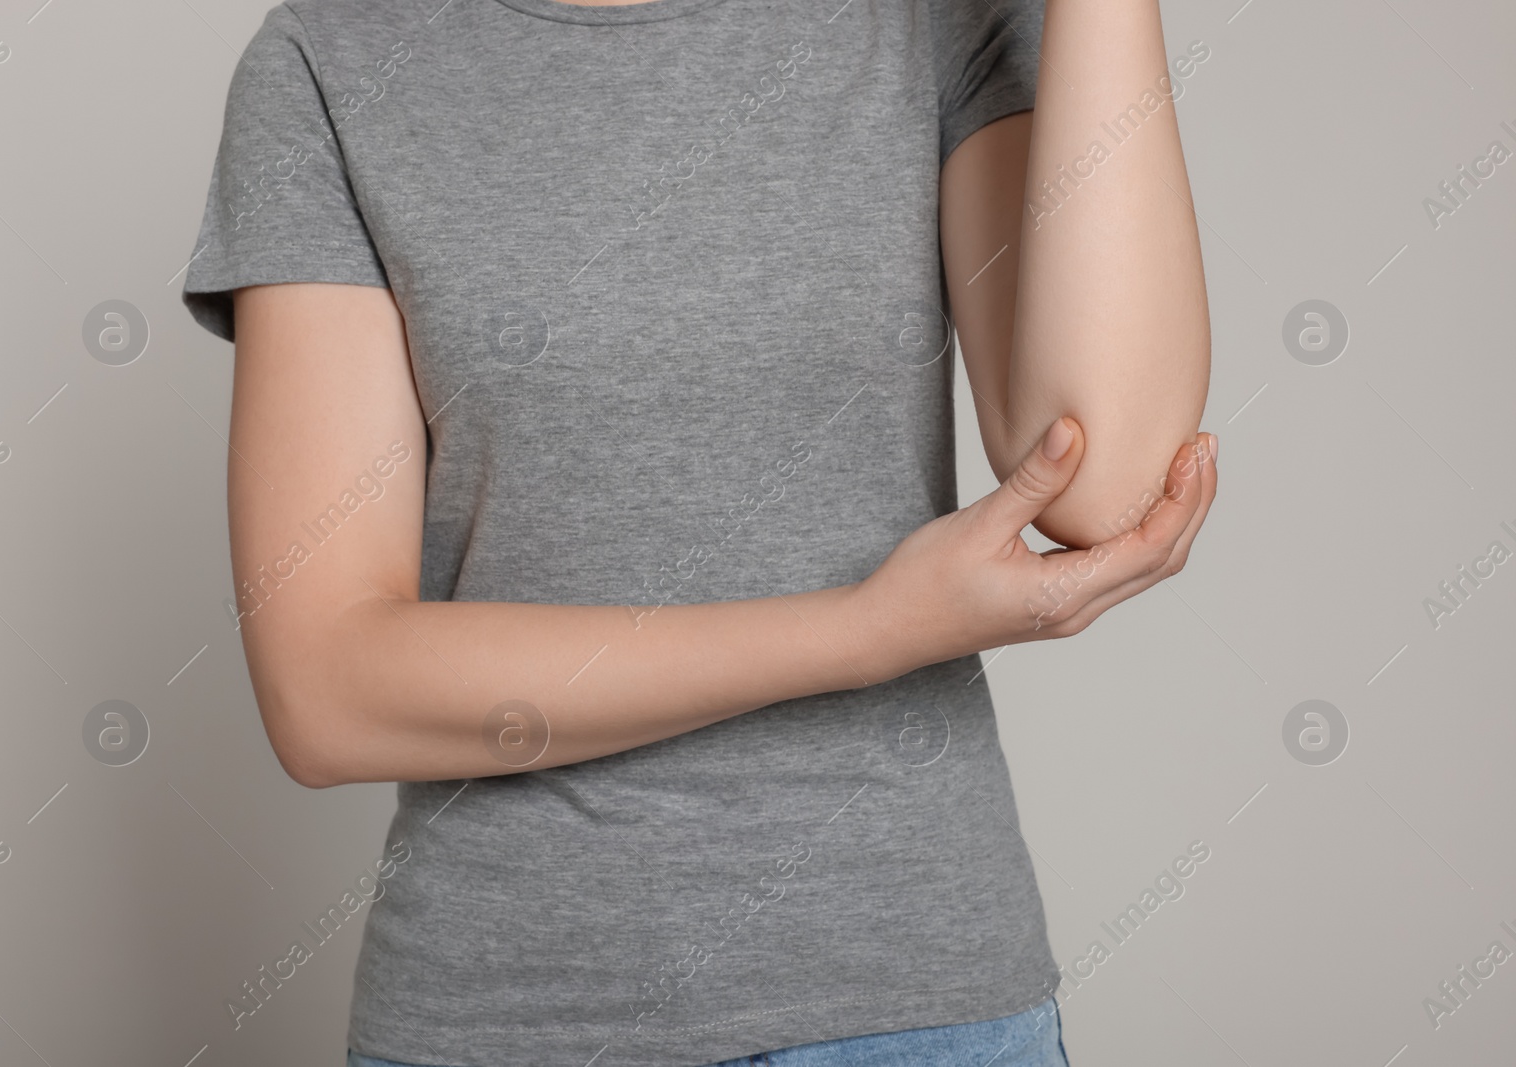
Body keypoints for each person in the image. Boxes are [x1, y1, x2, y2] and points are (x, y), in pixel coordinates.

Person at [180, 0, 1215, 1062]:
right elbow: (327, 688)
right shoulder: (330, 58)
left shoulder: (930, 20)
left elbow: (1108, 480)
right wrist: (863, 630)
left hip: (910, 1012)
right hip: (515, 1020)